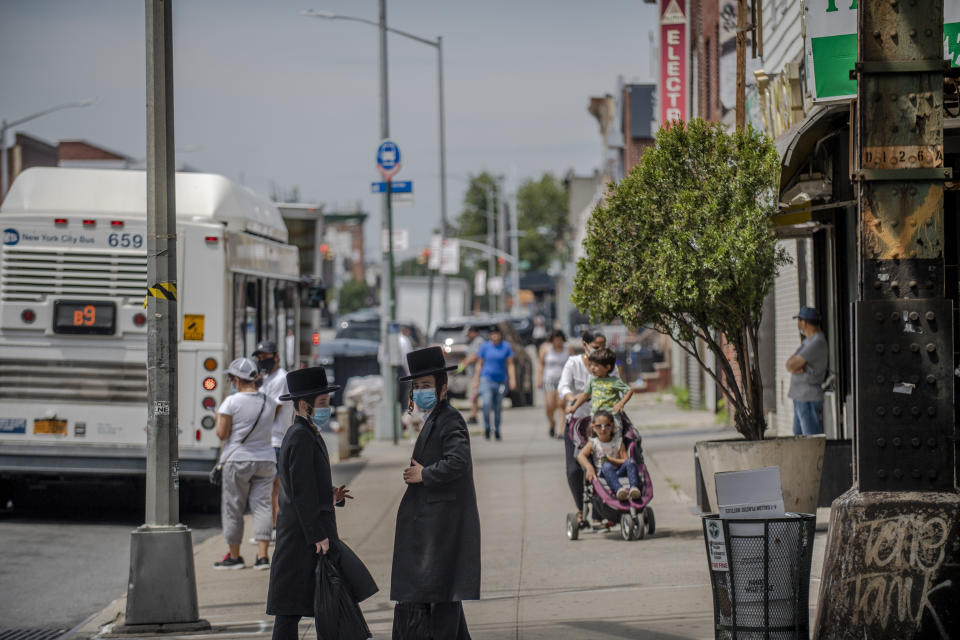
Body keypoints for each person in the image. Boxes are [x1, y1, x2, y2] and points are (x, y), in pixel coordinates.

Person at [392, 346, 480, 639]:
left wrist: (423, 474)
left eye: (426, 386)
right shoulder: (435, 418)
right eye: (416, 387)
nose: (419, 392)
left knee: (443, 598)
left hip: (444, 529)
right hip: (435, 527)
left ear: (442, 389)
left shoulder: (450, 418)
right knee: (445, 596)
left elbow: (458, 461)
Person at [266, 367, 354, 638]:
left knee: (306, 603)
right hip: (303, 537)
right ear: (305, 405)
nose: (328, 408)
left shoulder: (305, 432)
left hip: (303, 532)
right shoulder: (301, 436)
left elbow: (304, 485)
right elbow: (301, 491)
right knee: (292, 608)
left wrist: (330, 496)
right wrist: (318, 534)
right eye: (323, 403)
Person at [214, 357, 277, 570]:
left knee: (233, 507)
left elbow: (222, 434)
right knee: (262, 506)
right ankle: (262, 557)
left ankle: (234, 556)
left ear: (236, 379)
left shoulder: (231, 402)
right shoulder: (269, 401)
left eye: (231, 378)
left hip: (238, 460)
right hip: (266, 459)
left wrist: (217, 417)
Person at [558, 329, 610, 522]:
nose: (600, 351)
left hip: (602, 426)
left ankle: (598, 513)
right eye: (596, 347)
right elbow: (563, 386)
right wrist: (572, 399)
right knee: (573, 469)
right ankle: (581, 509)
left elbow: (621, 389)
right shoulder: (573, 363)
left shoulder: (609, 365)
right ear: (585, 345)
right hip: (576, 424)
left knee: (600, 467)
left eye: (603, 347)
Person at [253, 340, 292, 535]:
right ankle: (273, 526)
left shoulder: (280, 378)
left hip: (275, 439)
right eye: (259, 358)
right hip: (268, 440)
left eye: (266, 357)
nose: (262, 361)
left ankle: (277, 527)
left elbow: (272, 410)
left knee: (274, 486)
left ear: (276, 357)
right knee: (269, 487)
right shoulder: (267, 378)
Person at [576, 410, 641, 502]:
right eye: (598, 426)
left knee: (631, 461)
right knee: (606, 465)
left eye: (607, 425)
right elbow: (580, 455)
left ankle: (634, 488)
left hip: (618, 471)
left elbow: (625, 460)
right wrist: (589, 467)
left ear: (612, 426)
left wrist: (611, 460)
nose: (603, 429)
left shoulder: (618, 441)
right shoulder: (593, 443)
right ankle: (619, 490)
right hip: (603, 474)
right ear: (593, 427)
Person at [786, 306, 828, 435]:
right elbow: (789, 364)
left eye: (799, 320)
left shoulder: (816, 342)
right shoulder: (808, 341)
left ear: (803, 322)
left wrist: (796, 365)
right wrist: (795, 364)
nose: (798, 324)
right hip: (801, 397)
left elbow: (791, 365)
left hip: (808, 398)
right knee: (800, 441)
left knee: (810, 440)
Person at [471, 326, 517, 440]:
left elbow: (510, 364)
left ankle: (496, 429)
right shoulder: (485, 347)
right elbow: (479, 364)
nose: (495, 336)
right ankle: (487, 427)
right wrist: (476, 380)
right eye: (492, 334)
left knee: (497, 407)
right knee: (486, 404)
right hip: (486, 379)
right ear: (490, 336)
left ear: (500, 335)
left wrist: (512, 379)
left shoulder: (506, 346)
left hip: (501, 381)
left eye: (497, 334)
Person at [565, 346, 635, 421]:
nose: (592, 368)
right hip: (596, 416)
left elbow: (629, 391)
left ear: (607, 367)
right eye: (591, 364)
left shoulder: (614, 381)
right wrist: (574, 408)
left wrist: (621, 403)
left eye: (596, 365)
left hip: (612, 417)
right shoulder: (593, 381)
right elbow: (585, 395)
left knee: (617, 431)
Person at [537, 329, 572, 438]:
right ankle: (552, 423)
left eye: (559, 340)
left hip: (563, 381)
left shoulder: (568, 349)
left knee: (561, 405)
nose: (557, 342)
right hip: (549, 381)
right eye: (555, 340)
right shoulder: (545, 349)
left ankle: (560, 431)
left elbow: (572, 365)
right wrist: (539, 378)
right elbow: (541, 364)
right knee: (550, 406)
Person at [457, 325, 486, 425]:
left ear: (474, 332)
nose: (468, 336)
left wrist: (463, 364)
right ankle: (473, 415)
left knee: (474, 395)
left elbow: (476, 356)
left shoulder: (479, 341)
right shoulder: (473, 342)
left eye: (469, 333)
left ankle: (473, 415)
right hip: (472, 374)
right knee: (474, 396)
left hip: (477, 374)